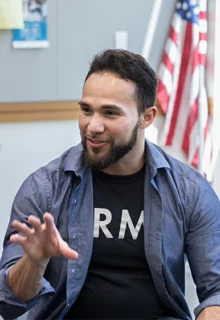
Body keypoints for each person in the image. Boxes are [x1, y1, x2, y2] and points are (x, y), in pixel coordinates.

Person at [0, 49, 220, 320]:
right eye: (86, 110)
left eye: (110, 113)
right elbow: (10, 305)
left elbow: (215, 291)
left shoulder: (190, 192)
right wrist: (34, 262)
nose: (93, 126)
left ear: (147, 117)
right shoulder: (44, 189)